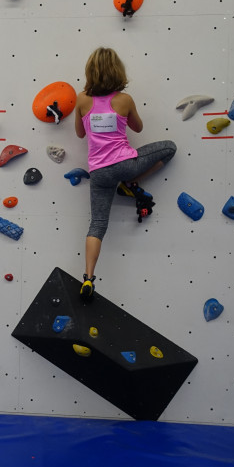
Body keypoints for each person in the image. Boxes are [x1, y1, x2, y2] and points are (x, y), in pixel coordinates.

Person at [74, 47, 177, 301]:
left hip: (98, 172)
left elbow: (79, 134)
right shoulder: (125, 100)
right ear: (117, 71)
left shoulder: (81, 99)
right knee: (169, 148)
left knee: (97, 224)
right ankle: (132, 182)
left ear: (90, 71)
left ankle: (88, 278)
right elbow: (138, 128)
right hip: (124, 165)